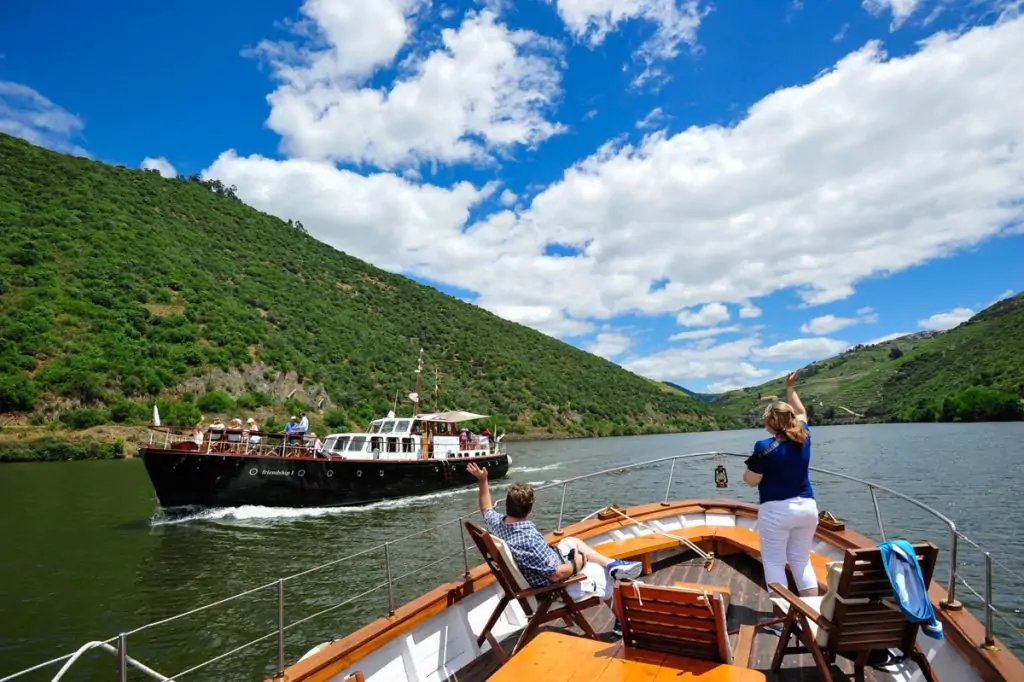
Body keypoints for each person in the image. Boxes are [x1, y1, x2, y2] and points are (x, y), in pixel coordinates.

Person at [466, 462, 642, 636]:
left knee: (572, 540)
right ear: (530, 508)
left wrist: (483, 480)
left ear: (508, 505)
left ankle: (613, 564)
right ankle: (621, 622)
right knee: (602, 573)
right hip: (552, 590)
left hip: (537, 572)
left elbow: (486, 509)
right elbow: (556, 574)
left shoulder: (500, 524)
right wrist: (577, 565)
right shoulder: (529, 539)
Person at [743, 370, 818, 597]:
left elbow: (751, 480)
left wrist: (752, 471)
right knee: (801, 561)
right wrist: (790, 388)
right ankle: (811, 618)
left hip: (776, 511)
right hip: (807, 509)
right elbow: (802, 412)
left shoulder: (763, 446)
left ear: (770, 421)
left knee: (774, 562)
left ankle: (781, 616)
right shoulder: (804, 435)